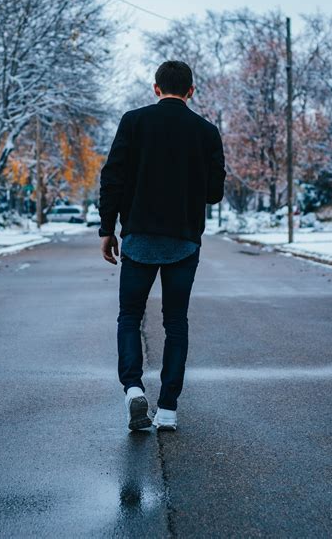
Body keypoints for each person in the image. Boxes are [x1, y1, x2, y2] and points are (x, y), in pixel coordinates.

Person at [98, 60, 226, 431]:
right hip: (183, 242)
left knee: (129, 316)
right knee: (175, 323)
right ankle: (168, 407)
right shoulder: (206, 132)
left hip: (138, 239)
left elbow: (113, 177)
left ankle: (134, 388)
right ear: (191, 91)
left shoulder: (134, 122)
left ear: (156, 89)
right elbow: (214, 193)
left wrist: (108, 228)